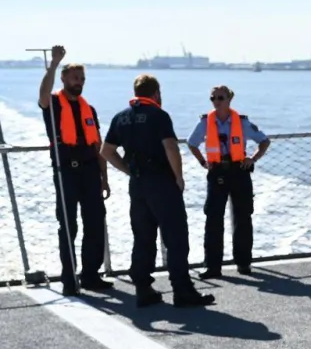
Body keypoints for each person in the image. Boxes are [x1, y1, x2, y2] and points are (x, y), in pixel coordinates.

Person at [100, 75, 214, 308]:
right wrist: (179, 177)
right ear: (156, 94)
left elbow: (106, 151)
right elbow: (170, 147)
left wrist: (128, 171)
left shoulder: (121, 117)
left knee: (143, 237)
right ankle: (182, 290)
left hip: (138, 184)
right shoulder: (158, 116)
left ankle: (143, 288)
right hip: (161, 181)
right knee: (175, 237)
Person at [36, 45, 110, 295]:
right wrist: (55, 63)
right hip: (66, 170)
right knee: (68, 225)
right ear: (64, 79)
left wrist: (104, 178)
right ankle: (70, 279)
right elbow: (43, 95)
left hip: (90, 171)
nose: (79, 82)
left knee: (95, 222)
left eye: (82, 79)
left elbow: (97, 145)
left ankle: (91, 275)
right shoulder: (54, 103)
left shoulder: (90, 109)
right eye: (75, 78)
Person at [186, 86, 269, 277]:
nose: (216, 101)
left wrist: (253, 159)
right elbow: (192, 143)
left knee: (243, 218)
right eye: (212, 98)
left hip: (239, 171)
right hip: (216, 173)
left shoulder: (242, 122)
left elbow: (264, 141)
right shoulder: (206, 122)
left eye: (220, 98)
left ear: (229, 99)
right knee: (213, 219)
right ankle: (212, 267)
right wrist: (202, 162)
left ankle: (244, 263)